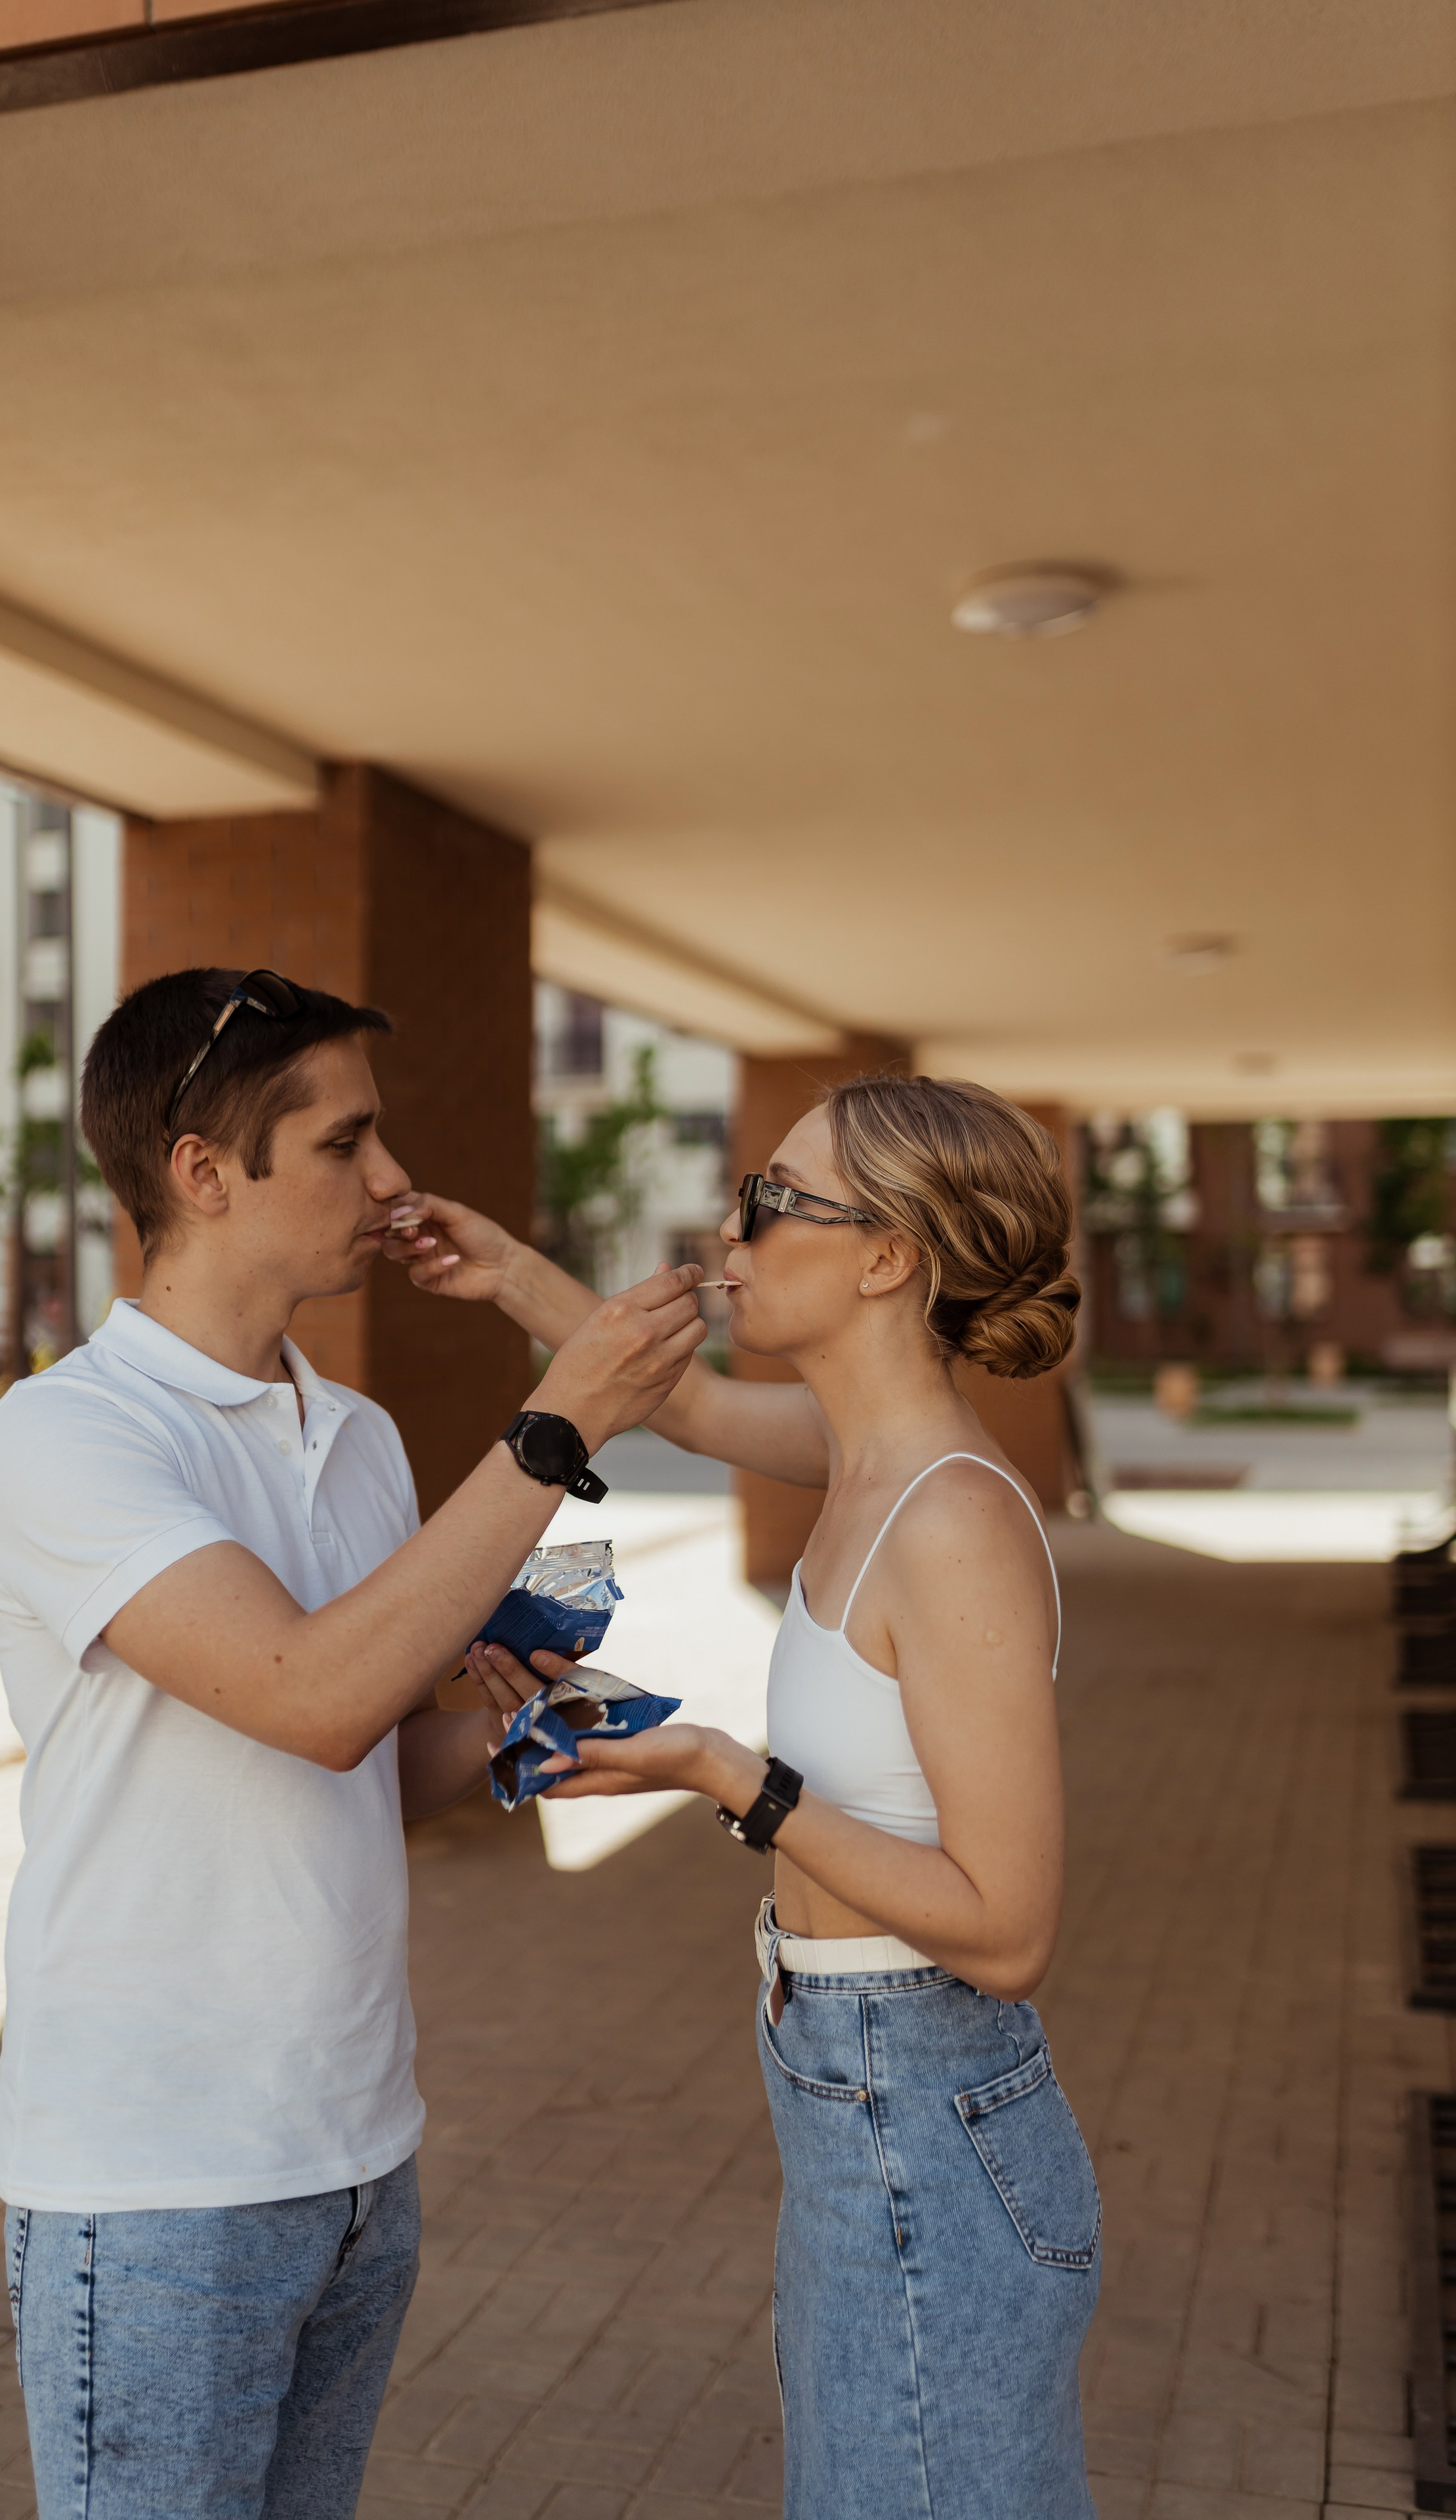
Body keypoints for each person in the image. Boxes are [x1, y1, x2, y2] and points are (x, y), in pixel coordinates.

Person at [0, 967, 707, 2518]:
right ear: (202, 1174)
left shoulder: (356, 1433)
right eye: (344, 1145)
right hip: (156, 2184)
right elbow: (306, 1692)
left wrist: (523, 1741)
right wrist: (550, 1431)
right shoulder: (72, 1433)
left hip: (361, 2157)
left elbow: (366, 1756)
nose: (390, 1183)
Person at [385, 1070, 1100, 2519]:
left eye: (771, 1200)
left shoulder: (949, 1519)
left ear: (886, 1257)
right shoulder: (869, 1456)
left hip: (920, 2101)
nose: (732, 1224)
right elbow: (693, 1404)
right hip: (850, 2087)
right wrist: (506, 1271)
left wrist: (727, 1774)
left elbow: (1007, 1931)